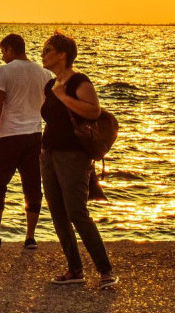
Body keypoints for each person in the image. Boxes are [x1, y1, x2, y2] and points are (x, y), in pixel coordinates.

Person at [39, 31, 117, 288]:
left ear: (62, 55)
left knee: (77, 212)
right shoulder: (50, 84)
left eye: (48, 50)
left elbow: (93, 111)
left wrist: (64, 97)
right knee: (58, 214)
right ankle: (75, 270)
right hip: (48, 154)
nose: (43, 54)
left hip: (73, 156)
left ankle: (105, 271)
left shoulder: (79, 82)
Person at [0, 34, 51, 250]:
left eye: (3, 51)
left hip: (8, 135)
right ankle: (30, 237)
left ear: (10, 49)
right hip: (34, 135)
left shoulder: (4, 71)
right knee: (32, 186)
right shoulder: (45, 74)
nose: (2, 56)